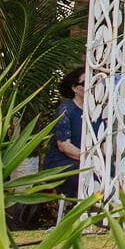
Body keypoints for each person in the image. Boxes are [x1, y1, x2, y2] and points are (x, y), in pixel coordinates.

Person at [44, 66, 85, 199]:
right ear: (74, 88)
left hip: (86, 161)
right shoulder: (66, 110)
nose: (91, 87)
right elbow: (64, 146)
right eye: (85, 84)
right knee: (85, 175)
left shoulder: (97, 112)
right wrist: (89, 160)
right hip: (64, 162)